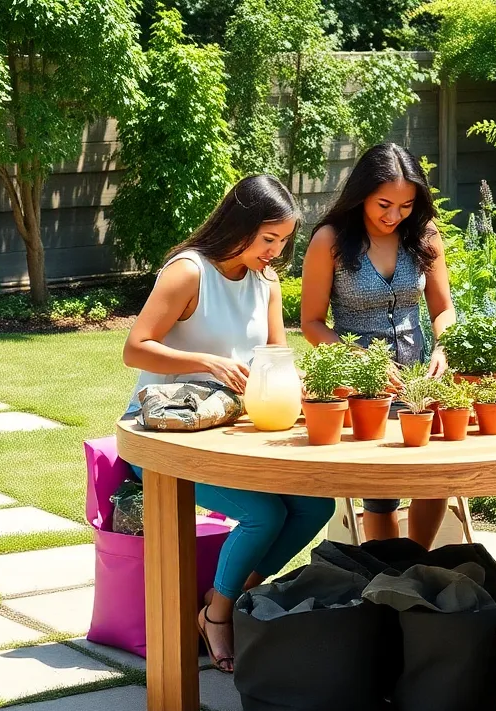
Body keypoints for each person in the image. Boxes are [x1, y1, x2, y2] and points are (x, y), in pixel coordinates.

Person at [122, 175, 336, 672]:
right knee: (265, 514)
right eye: (268, 240)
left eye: (283, 241)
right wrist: (208, 362)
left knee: (313, 506)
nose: (276, 252)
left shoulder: (266, 282)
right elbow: (135, 348)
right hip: (167, 439)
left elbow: (277, 354)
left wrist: (313, 385)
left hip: (232, 435)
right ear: (239, 227)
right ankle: (218, 615)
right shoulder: (188, 273)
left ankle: (233, 595)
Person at [300, 143, 457, 546]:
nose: (393, 216)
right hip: (364, 389)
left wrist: (444, 347)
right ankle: (386, 576)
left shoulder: (425, 236)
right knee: (381, 493)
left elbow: (443, 308)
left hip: (422, 382)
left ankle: (415, 564)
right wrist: (359, 361)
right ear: (361, 194)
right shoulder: (330, 241)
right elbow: (312, 324)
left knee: (432, 479)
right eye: (384, 204)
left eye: (405, 206)